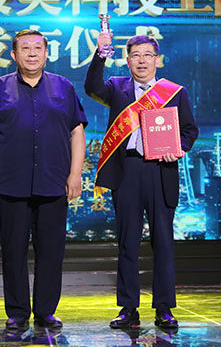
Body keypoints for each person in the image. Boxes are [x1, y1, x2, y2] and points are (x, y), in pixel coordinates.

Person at [85, 33, 198, 329]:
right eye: (136, 55)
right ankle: (128, 308)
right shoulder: (117, 87)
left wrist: (179, 148)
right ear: (128, 60)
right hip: (128, 171)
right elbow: (92, 87)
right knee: (127, 243)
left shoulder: (174, 92)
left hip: (161, 171)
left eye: (148, 55)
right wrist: (101, 53)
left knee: (163, 243)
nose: (142, 61)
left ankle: (164, 308)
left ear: (157, 60)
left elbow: (189, 130)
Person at [0, 29, 87, 332]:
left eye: (38, 48)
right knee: (13, 252)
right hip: (11, 183)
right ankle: (16, 312)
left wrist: (75, 173)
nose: (32, 53)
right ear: (14, 55)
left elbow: (77, 132)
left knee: (51, 252)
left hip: (53, 182)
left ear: (47, 53)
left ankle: (46, 311)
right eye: (25, 48)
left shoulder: (64, 87)